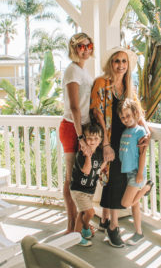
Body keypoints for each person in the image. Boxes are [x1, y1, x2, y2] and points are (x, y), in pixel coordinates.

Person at [90, 47, 151, 248]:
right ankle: (113, 226)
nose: (121, 65)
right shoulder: (101, 83)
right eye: (117, 61)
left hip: (126, 140)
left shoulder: (128, 88)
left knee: (117, 181)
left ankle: (106, 220)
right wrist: (106, 143)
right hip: (109, 141)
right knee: (113, 181)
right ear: (111, 63)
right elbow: (97, 113)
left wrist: (147, 130)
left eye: (124, 61)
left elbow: (137, 112)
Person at [59, 33, 94, 233]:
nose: (86, 49)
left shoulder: (83, 71)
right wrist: (81, 137)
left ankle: (81, 222)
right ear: (74, 48)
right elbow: (74, 107)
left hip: (83, 128)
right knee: (71, 178)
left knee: (81, 178)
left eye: (89, 45)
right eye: (82, 46)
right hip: (73, 129)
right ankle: (71, 225)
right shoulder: (72, 71)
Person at [118, 98, 153, 245]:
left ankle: (146, 188)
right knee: (134, 205)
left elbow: (143, 152)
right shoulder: (127, 130)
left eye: (128, 115)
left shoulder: (139, 131)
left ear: (135, 113)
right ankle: (138, 232)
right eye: (123, 117)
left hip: (136, 173)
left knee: (126, 203)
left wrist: (140, 173)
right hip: (128, 172)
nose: (125, 119)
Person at [69, 122, 107, 247]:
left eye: (96, 138)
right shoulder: (82, 154)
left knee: (82, 213)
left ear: (100, 140)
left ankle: (78, 234)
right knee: (90, 213)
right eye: (89, 138)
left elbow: (97, 169)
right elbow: (86, 170)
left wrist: (106, 162)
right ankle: (84, 229)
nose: (92, 141)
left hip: (90, 190)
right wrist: (88, 157)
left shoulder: (100, 153)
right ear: (84, 139)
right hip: (79, 189)